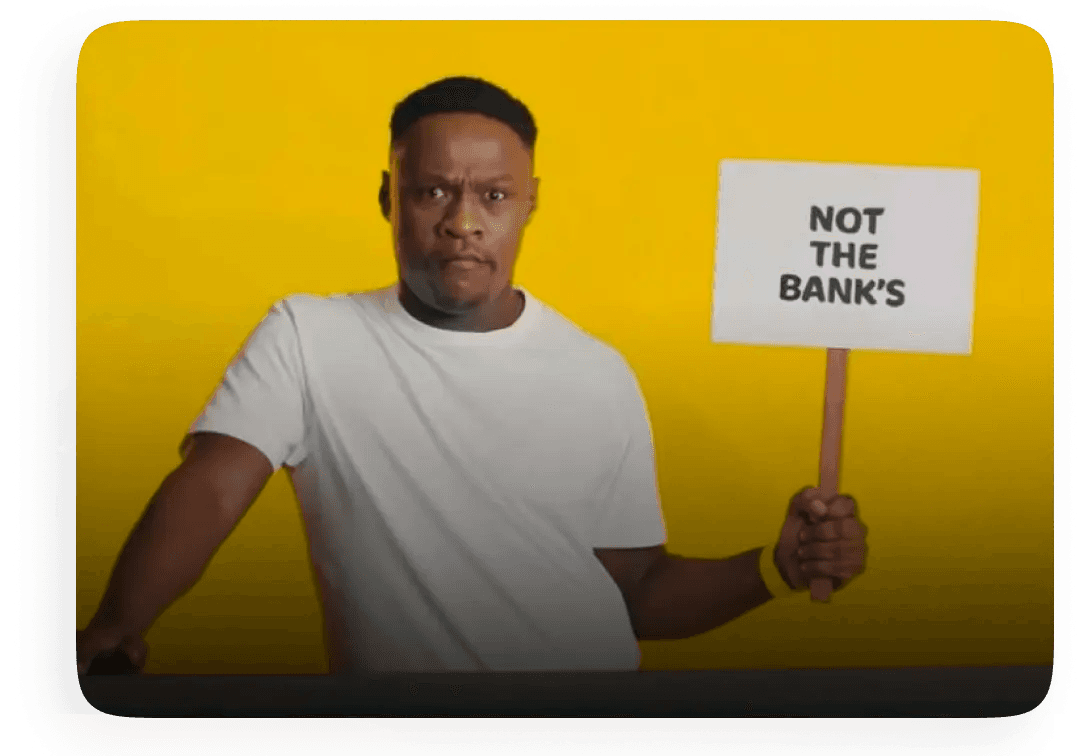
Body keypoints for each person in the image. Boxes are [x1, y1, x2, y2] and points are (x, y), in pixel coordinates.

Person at [77, 76, 868, 675]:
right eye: (433, 192)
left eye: (493, 194)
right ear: (390, 199)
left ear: (528, 205)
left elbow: (637, 594)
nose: (463, 220)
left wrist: (776, 566)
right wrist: (119, 622)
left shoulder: (596, 373)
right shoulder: (308, 336)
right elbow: (213, 485)